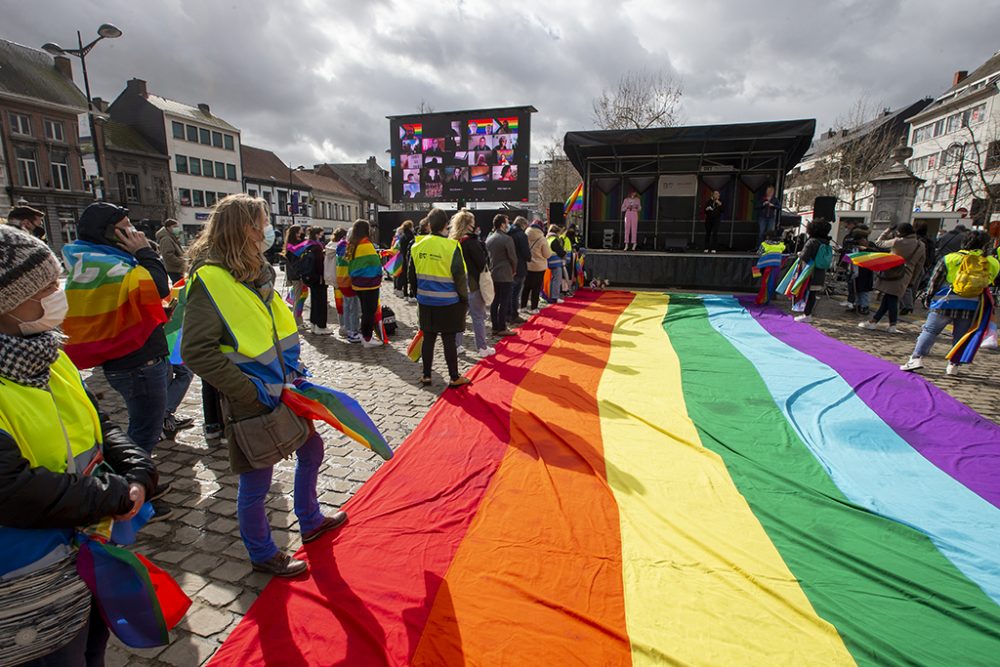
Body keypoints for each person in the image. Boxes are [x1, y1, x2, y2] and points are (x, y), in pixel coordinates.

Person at [0, 226, 157, 666]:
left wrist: (136, 466)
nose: (59, 293)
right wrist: (109, 496)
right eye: (46, 287)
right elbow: (10, 489)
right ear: (6, 302)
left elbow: (97, 425)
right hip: (24, 583)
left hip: (86, 552)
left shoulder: (47, 350)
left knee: (93, 650)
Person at [182, 194, 348, 577]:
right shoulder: (210, 278)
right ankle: (262, 554)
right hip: (253, 396)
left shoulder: (256, 270)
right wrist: (248, 390)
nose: (267, 228)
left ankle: (310, 519)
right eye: (262, 221)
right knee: (257, 481)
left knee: (312, 447)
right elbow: (196, 351)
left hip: (284, 385)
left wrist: (294, 369)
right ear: (244, 228)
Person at [62, 202, 187, 514]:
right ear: (108, 232)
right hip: (138, 365)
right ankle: (130, 493)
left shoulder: (93, 260)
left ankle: (140, 482)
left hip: (129, 363)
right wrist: (147, 252)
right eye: (127, 228)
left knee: (142, 424)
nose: (135, 233)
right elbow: (160, 286)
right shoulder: (111, 264)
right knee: (144, 431)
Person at [900, 231, 999, 376]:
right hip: (972, 304)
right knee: (960, 335)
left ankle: (916, 359)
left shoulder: (950, 258)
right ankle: (953, 365)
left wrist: (928, 297)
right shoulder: (991, 262)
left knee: (930, 331)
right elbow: (992, 281)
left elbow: (935, 280)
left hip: (944, 301)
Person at [407, 208, 471, 388]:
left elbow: (411, 274)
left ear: (429, 224)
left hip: (426, 301)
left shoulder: (417, 245)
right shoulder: (451, 246)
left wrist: (417, 294)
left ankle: (426, 376)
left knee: (428, 338)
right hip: (448, 302)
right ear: (445, 225)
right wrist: (464, 299)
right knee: (449, 340)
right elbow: (459, 276)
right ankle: (454, 377)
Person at [859, 222, 925, 334]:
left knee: (892, 299)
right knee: (889, 298)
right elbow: (919, 265)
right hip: (906, 274)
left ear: (901, 232)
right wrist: (912, 280)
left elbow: (879, 243)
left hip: (893, 272)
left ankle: (891, 324)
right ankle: (874, 321)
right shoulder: (921, 245)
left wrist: (888, 230)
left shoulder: (898, 242)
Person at [450, 211, 494, 357]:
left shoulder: (452, 241)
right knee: (478, 316)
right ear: (470, 224)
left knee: (459, 317)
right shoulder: (472, 242)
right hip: (473, 283)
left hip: (457, 284)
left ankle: (456, 345)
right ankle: (482, 348)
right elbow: (482, 263)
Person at [346, 219, 383, 348]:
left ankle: (365, 335)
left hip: (357, 283)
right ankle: (366, 338)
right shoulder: (366, 245)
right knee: (369, 311)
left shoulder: (352, 245)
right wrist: (380, 275)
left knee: (365, 310)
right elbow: (375, 264)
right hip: (369, 283)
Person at [793, 218, 833, 323]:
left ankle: (806, 313)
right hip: (820, 272)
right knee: (813, 294)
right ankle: (808, 313)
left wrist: (799, 254)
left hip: (809, 272)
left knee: (806, 293)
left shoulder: (812, 242)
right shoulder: (826, 242)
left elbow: (804, 256)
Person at [486, 214, 517, 337]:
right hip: (505, 274)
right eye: (507, 222)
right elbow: (513, 258)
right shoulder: (507, 239)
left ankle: (495, 327)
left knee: (495, 301)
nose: (508, 224)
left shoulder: (489, 239)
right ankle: (502, 327)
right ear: (502, 224)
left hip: (493, 274)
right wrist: (514, 271)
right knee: (504, 301)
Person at [301, 227, 331, 335]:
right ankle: (320, 326)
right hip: (319, 278)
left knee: (314, 301)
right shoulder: (317, 247)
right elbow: (319, 264)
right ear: (318, 234)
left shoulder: (307, 245)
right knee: (321, 302)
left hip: (311, 277)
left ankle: (313, 324)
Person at [333, 229, 361, 343]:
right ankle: (352, 332)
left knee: (347, 306)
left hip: (341, 280)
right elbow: (352, 263)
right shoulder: (348, 247)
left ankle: (348, 329)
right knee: (353, 308)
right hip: (348, 280)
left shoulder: (340, 245)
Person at [522, 218, 553, 313]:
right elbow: (547, 254)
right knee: (536, 288)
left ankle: (523, 307)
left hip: (527, 265)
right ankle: (533, 307)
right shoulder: (542, 238)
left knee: (526, 287)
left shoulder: (525, 235)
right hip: (539, 267)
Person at [283, 225, 306, 327]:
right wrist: (300, 273)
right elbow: (295, 263)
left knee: (301, 297)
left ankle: (299, 319)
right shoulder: (292, 246)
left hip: (297, 275)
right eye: (300, 231)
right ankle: (297, 321)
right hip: (297, 276)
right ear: (296, 233)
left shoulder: (293, 244)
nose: (302, 233)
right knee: (298, 298)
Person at [508, 216, 531, 324]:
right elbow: (526, 253)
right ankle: (514, 315)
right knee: (516, 293)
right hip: (520, 266)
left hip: (509, 267)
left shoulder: (508, 233)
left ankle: (507, 314)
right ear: (523, 225)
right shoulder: (521, 235)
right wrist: (529, 258)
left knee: (509, 292)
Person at [156, 219, 187, 284]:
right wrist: (181, 262)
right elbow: (168, 255)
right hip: (174, 269)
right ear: (168, 227)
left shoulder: (171, 237)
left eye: (177, 226)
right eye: (174, 226)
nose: (177, 228)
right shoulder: (166, 239)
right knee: (178, 287)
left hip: (177, 269)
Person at [395, 220, 416, 301]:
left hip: (402, 256)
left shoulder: (402, 236)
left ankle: (404, 293)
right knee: (409, 275)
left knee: (403, 275)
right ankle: (410, 294)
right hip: (407, 257)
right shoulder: (410, 236)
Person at [546, 224, 567, 304]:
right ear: (556, 232)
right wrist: (564, 252)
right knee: (557, 280)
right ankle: (555, 297)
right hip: (555, 262)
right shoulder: (554, 239)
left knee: (552, 280)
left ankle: (551, 296)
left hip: (549, 261)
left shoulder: (547, 238)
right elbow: (560, 251)